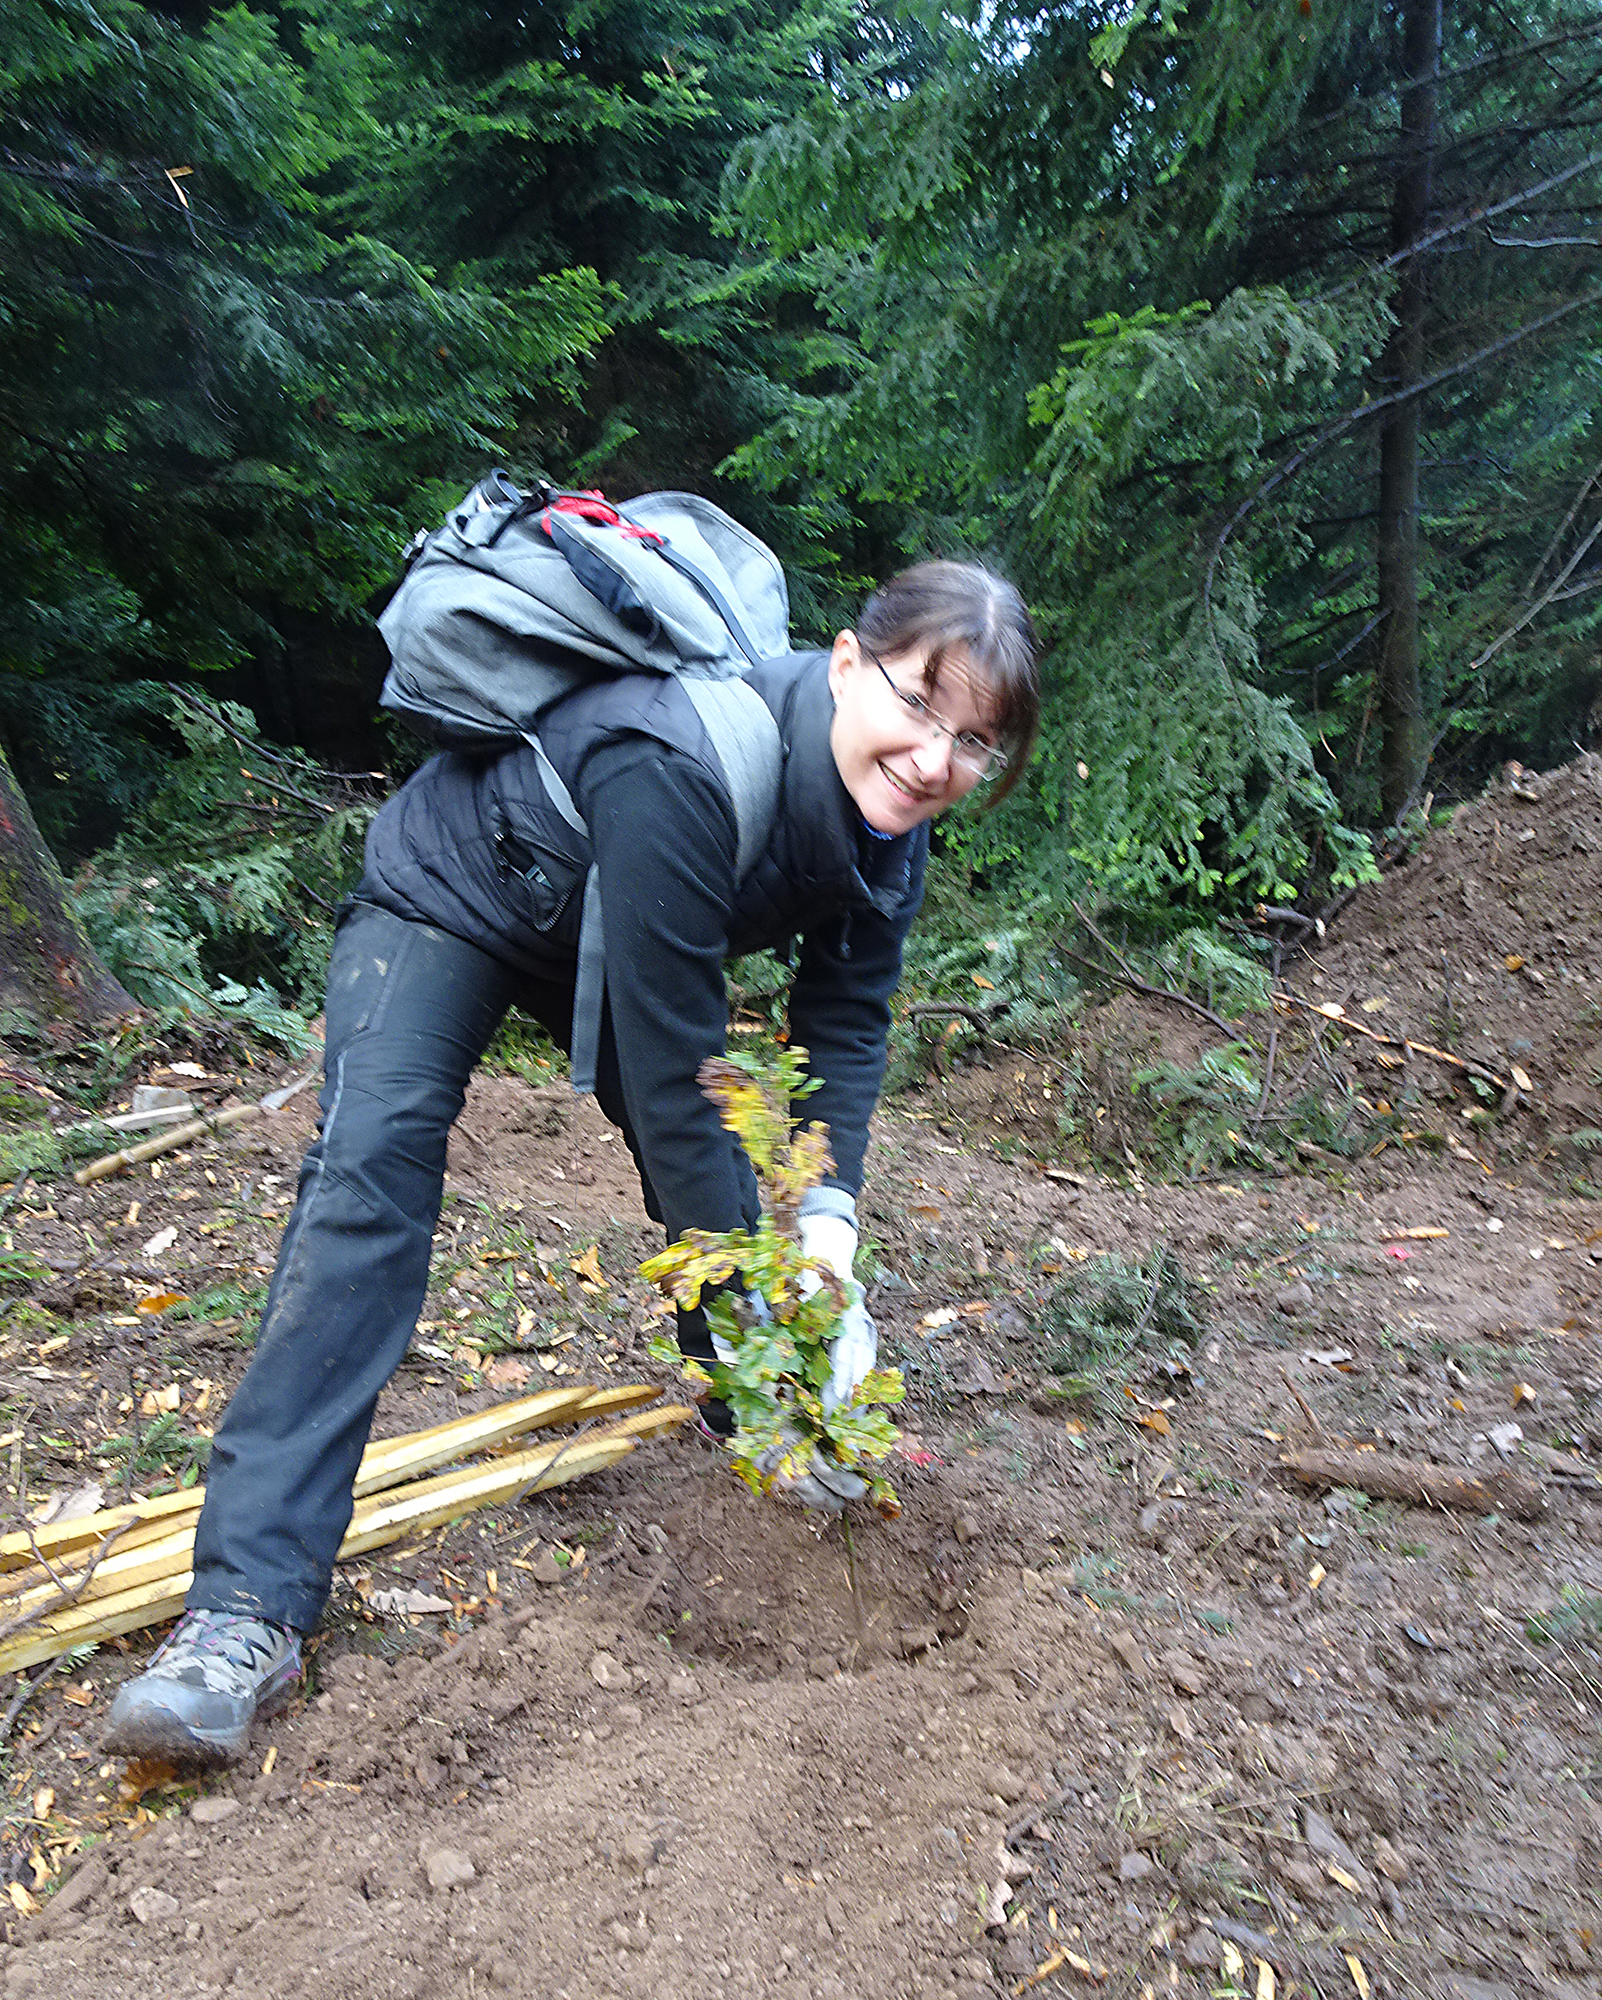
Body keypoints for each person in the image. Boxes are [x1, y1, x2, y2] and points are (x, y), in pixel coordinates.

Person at [102, 557, 1040, 1764]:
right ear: (850, 665)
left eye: (974, 741)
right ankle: (245, 1607)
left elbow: (845, 1029)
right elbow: (676, 1071)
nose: (934, 758)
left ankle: (759, 1418)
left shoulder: (888, 833)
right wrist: (764, 1314)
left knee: (716, 1189)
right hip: (457, 891)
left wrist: (828, 1244)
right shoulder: (683, 758)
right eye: (918, 704)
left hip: (606, 926)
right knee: (372, 1174)